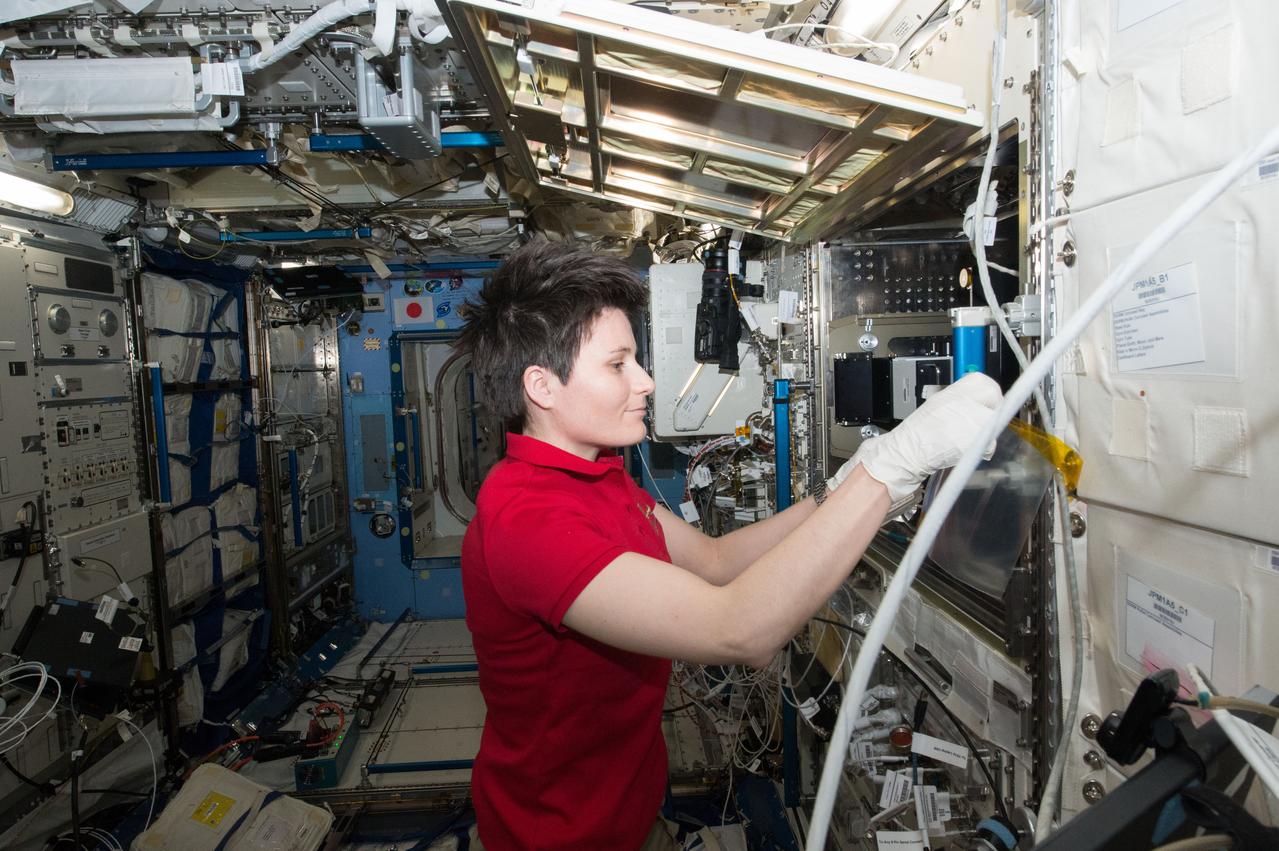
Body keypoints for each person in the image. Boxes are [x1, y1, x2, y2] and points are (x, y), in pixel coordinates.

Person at [455, 239, 1002, 850]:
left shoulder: (597, 477)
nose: (646, 380)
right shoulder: (528, 519)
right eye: (618, 365)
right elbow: (737, 629)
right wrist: (889, 470)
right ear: (542, 386)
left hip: (626, 808)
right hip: (560, 836)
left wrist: (843, 491)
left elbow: (716, 562)